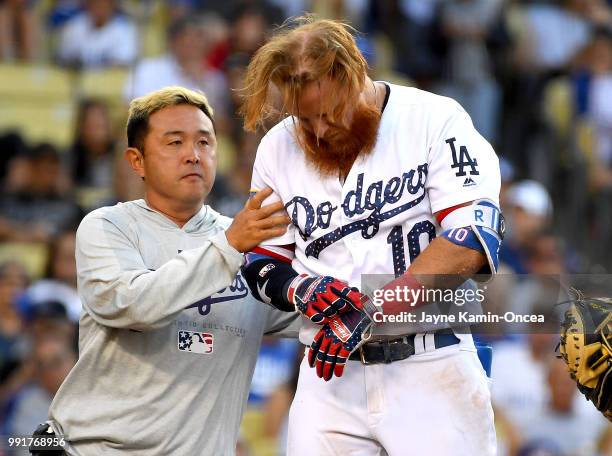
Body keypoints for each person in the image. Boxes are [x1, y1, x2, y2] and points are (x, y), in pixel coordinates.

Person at [240, 17, 503, 455]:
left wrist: (373, 308)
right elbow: (262, 260)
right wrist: (302, 289)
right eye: (305, 118)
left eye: (329, 112)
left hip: (429, 363)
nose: (319, 130)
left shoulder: (434, 120)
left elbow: (470, 240)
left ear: (357, 76)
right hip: (329, 375)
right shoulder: (278, 148)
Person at [31, 86, 297, 455]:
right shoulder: (107, 226)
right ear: (136, 161)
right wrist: (230, 246)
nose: (193, 155)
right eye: (175, 143)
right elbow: (135, 306)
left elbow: (323, 310)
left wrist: (402, 286)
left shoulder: (250, 239)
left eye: (205, 142)